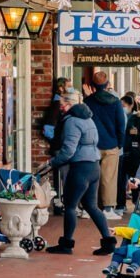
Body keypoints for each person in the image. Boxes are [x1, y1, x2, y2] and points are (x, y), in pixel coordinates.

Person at [45, 92, 112, 255]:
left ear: (69, 104)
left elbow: (69, 150)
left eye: (62, 104)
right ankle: (108, 242)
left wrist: (52, 162)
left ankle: (66, 244)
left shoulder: (72, 121)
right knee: (91, 206)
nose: (61, 107)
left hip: (80, 167)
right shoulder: (88, 118)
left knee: (70, 206)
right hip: (94, 166)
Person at [84, 70, 129, 217]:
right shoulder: (115, 102)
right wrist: (120, 143)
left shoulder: (88, 102)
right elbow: (120, 125)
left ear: (92, 85)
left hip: (92, 145)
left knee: (90, 176)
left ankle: (89, 207)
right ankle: (108, 208)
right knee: (109, 178)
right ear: (107, 84)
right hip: (111, 144)